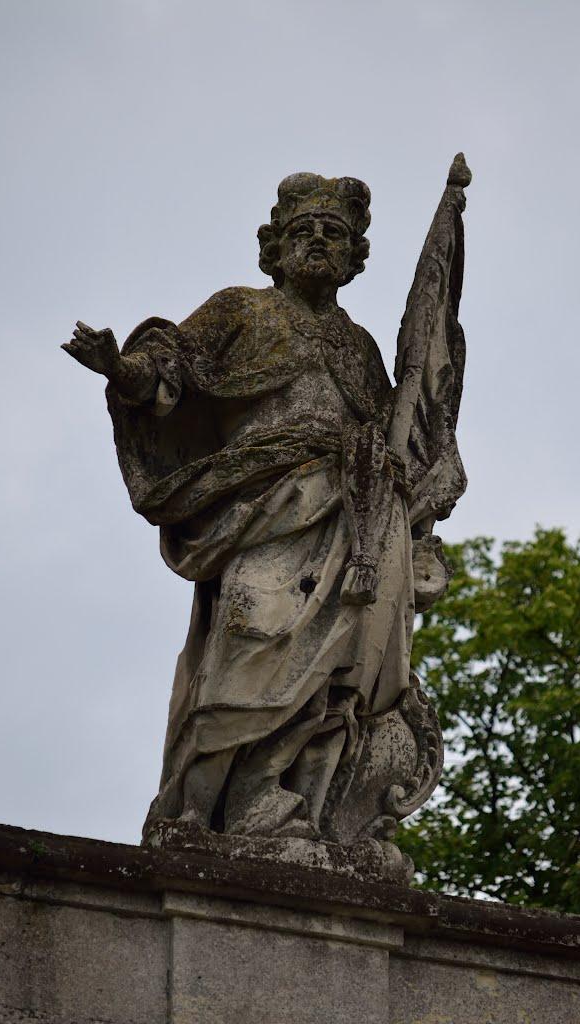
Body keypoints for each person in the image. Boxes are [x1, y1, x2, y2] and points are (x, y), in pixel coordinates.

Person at [62, 172, 467, 844]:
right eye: (304, 231)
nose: (319, 241)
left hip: (349, 522)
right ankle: (194, 808)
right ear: (275, 248)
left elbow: (391, 433)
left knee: (330, 671)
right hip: (264, 506)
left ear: (353, 257)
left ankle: (265, 791)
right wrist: (120, 368)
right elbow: (170, 368)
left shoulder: (360, 347)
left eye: (334, 233)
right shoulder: (242, 312)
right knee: (249, 634)